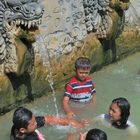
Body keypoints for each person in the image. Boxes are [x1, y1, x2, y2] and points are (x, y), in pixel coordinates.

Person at [10, 107, 88, 140]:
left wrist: (73, 123)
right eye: (33, 123)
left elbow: (49, 119)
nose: (36, 123)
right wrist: (71, 135)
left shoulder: (19, 125)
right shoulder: (30, 139)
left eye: (35, 119)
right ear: (22, 130)